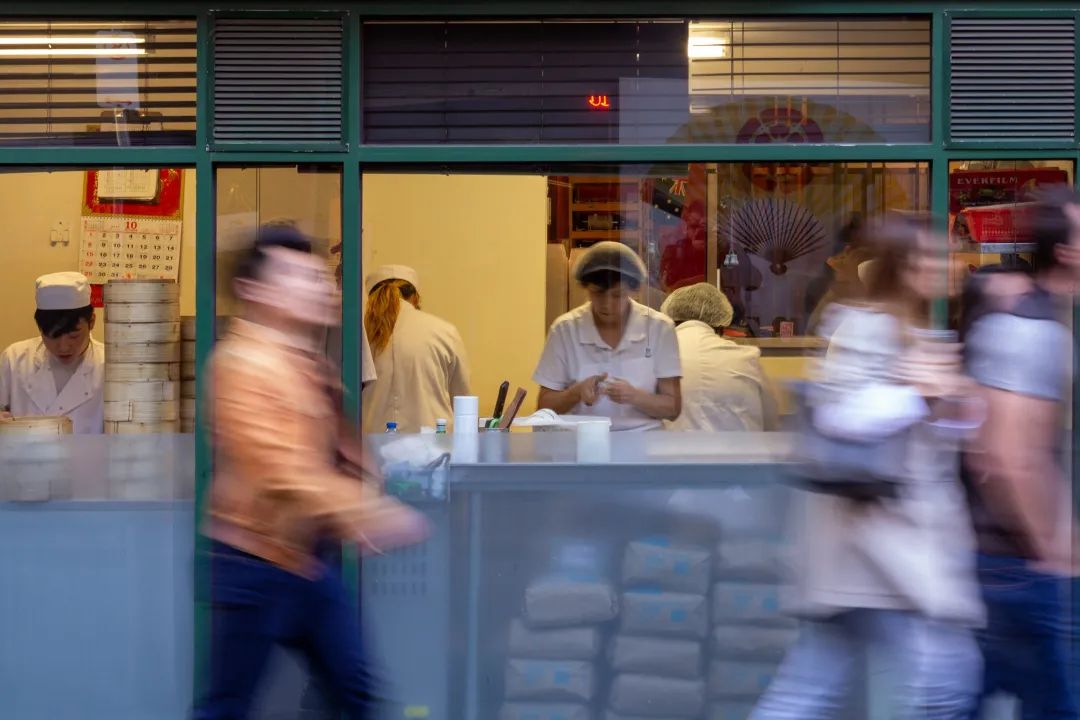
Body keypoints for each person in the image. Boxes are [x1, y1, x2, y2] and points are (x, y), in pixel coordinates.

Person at [751, 216, 983, 720]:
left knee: (815, 682)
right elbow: (841, 416)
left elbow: (939, 434)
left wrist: (956, 404)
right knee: (943, 681)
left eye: (951, 254)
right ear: (904, 267)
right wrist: (920, 393)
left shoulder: (918, 330)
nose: (951, 265)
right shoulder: (863, 325)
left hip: (885, 544)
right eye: (935, 257)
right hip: (874, 539)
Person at [194, 228, 428, 720]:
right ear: (255, 291)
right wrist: (369, 510)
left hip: (305, 558)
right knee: (227, 705)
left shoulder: (306, 361)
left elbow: (335, 451)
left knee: (356, 693)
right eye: (299, 277)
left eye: (318, 277)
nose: (320, 287)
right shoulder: (241, 365)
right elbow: (279, 469)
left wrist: (362, 497)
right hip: (253, 559)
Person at [961, 186, 1080, 719]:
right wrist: (1052, 551)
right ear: (1067, 251)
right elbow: (1011, 454)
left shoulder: (1040, 316)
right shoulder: (1033, 327)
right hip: (1018, 564)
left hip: (1008, 562)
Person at [534, 241, 681, 431]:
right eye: (597, 294)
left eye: (617, 295)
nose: (607, 304)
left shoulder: (659, 329)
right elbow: (544, 407)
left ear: (633, 291)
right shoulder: (565, 330)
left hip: (644, 444)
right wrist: (576, 393)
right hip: (581, 444)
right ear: (586, 288)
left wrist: (634, 396)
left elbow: (673, 408)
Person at [361, 265, 470, 433]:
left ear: (371, 298)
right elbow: (463, 403)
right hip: (434, 451)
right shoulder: (444, 332)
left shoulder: (360, 337)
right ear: (415, 297)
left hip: (374, 452)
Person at [660, 282, 778, 432]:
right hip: (738, 453)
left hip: (667, 453)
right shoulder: (746, 358)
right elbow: (770, 421)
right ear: (721, 325)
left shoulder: (653, 357)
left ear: (669, 318)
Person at [0, 271, 104, 433]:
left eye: (73, 336)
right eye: (52, 336)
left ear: (91, 322)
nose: (63, 347)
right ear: (40, 328)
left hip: (87, 457)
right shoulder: (14, 358)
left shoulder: (109, 365)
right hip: (24, 457)